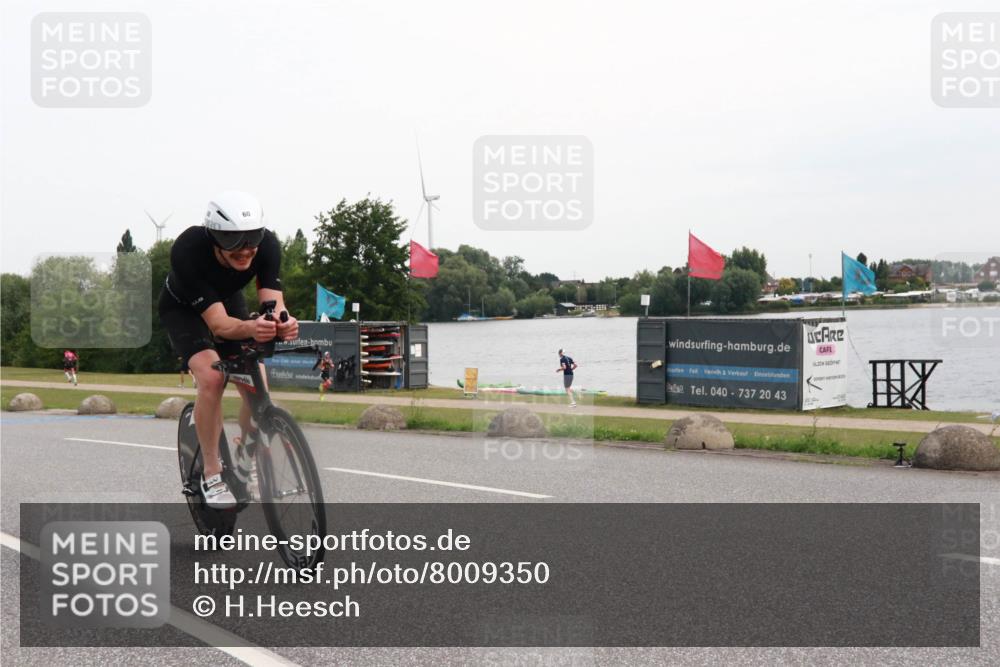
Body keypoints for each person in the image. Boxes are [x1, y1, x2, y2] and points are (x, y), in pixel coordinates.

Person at [158, 191, 298, 509]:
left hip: (227, 300)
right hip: (184, 310)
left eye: (252, 239)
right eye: (233, 241)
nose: (245, 250)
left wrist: (283, 322)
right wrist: (251, 327)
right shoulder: (188, 249)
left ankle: (245, 457)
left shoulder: (268, 246)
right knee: (211, 377)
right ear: (214, 237)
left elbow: (273, 303)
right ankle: (212, 473)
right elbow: (220, 326)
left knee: (256, 374)